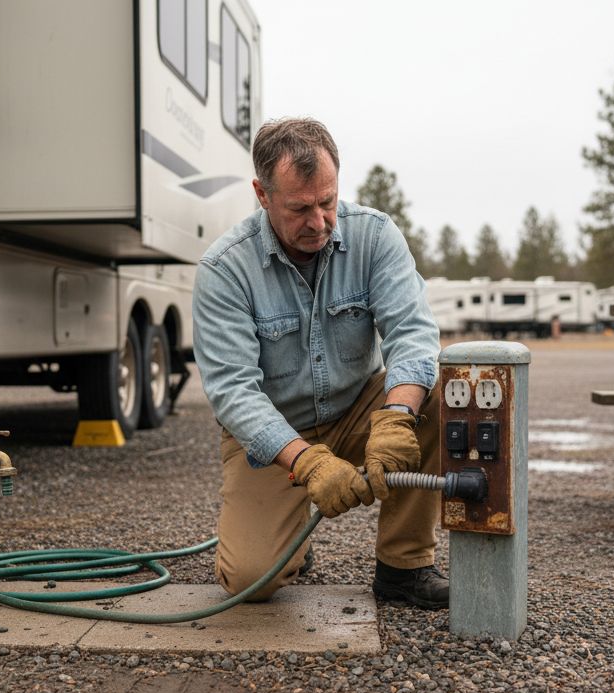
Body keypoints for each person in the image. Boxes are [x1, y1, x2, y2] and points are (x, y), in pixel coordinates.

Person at [192, 117, 448, 609]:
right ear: (262, 195)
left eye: (327, 202)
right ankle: (290, 544)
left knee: (436, 393)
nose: (319, 222)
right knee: (251, 581)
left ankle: (404, 566)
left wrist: (396, 419)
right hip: (274, 431)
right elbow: (233, 392)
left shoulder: (374, 237)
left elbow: (413, 335)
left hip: (358, 409)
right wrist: (306, 460)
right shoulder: (225, 270)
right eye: (300, 208)